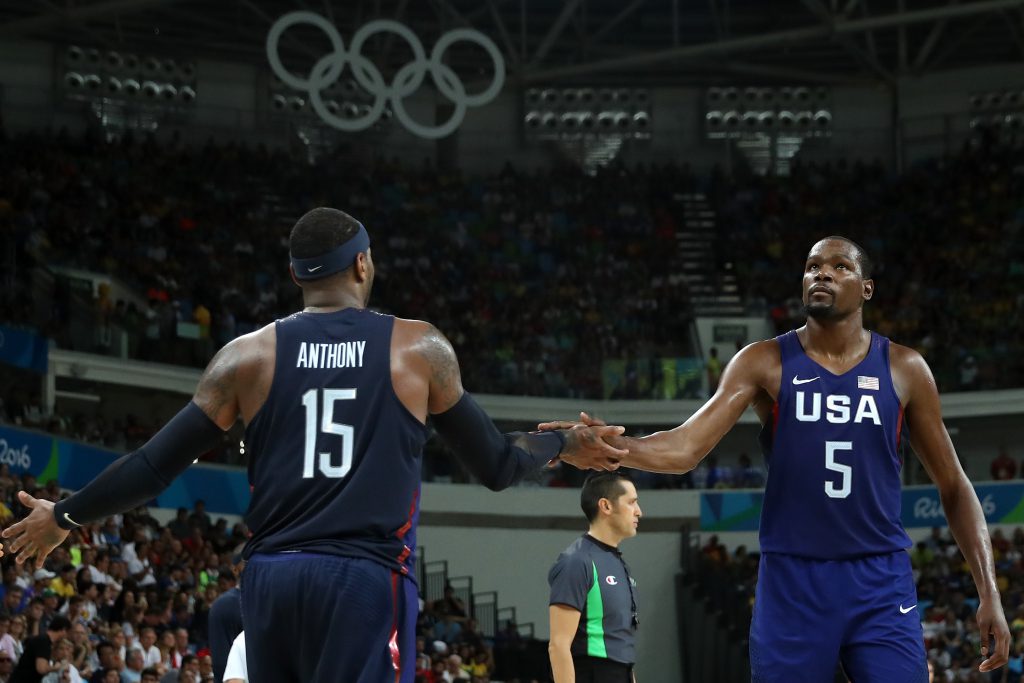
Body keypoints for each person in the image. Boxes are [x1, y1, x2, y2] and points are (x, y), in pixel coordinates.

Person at [0, 208, 623, 683]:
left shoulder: (245, 357)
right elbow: (496, 464)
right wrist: (563, 443)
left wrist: (64, 515)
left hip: (269, 583)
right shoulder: (417, 348)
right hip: (363, 580)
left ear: (297, 275)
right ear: (361, 265)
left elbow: (154, 465)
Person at [546, 237, 1011, 681]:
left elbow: (953, 485)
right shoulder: (764, 361)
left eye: (839, 267)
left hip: (879, 577)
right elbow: (685, 447)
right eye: (812, 267)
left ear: (866, 288)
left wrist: (988, 591)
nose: (822, 274)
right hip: (793, 579)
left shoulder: (904, 368)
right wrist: (606, 446)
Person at [548, 473, 641, 683]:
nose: (639, 512)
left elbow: (620, 646)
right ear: (606, 506)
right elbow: (559, 645)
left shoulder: (618, 563)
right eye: (632, 502)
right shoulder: (577, 561)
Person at [10, 616, 71, 683]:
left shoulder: (45, 641)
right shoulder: (43, 642)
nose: (66, 636)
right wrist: (56, 667)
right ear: (63, 630)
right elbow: (41, 669)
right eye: (67, 632)